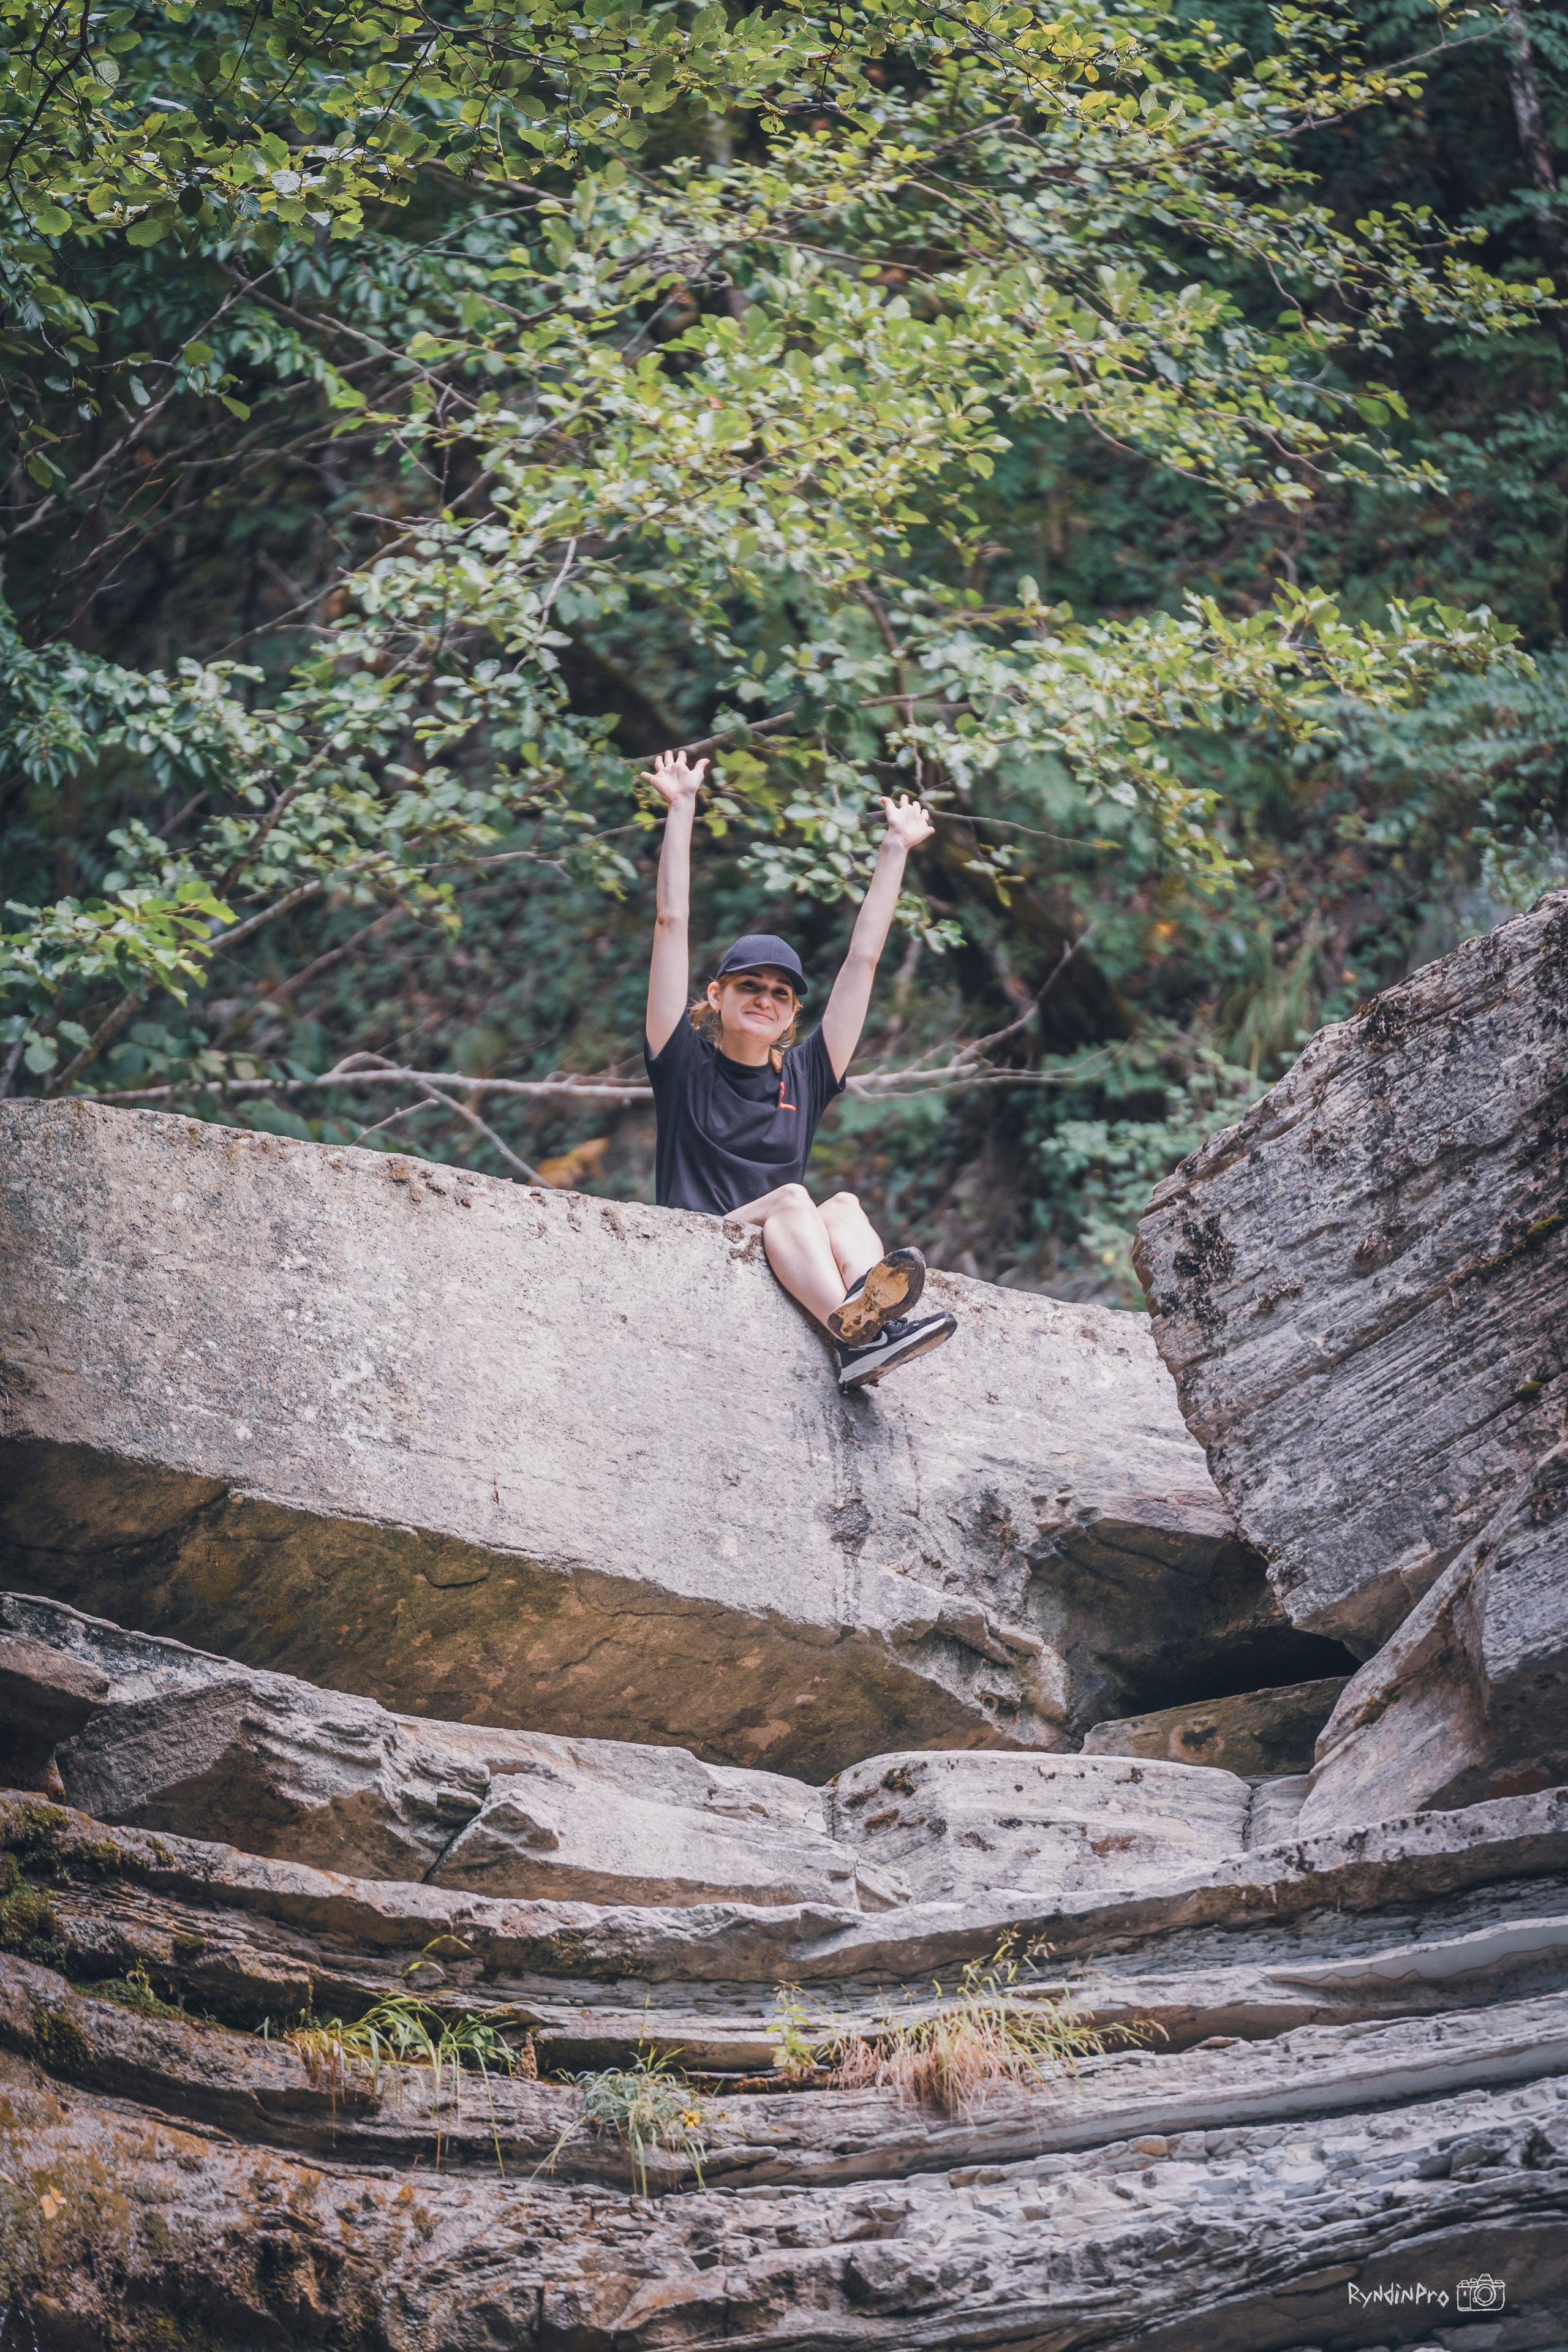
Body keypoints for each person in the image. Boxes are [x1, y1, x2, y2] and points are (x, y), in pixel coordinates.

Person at [641, 746, 957, 1390]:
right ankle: (852, 1335)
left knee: (841, 1205)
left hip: (780, 1242)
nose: (764, 999)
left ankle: (881, 1330)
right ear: (716, 997)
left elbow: (861, 964)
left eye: (780, 994)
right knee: (794, 1199)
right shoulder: (681, 1061)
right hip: (698, 1240)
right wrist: (681, 808)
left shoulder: (804, 1077)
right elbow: (670, 923)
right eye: (749, 987)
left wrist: (896, 848)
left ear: (791, 1016)